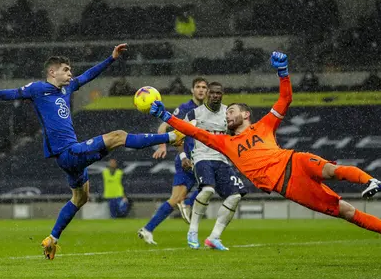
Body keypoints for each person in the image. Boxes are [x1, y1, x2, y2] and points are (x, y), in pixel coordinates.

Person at [150, 51, 381, 242]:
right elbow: (193, 131)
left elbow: (285, 99)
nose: (227, 116)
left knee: (331, 170)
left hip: (295, 160)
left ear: (246, 114)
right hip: (289, 186)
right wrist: (166, 116)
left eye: (231, 112)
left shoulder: (265, 125)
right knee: (347, 211)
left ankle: (370, 181)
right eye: (226, 114)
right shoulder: (226, 143)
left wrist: (283, 73)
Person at [0, 43, 184, 260]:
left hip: (71, 157)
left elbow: (89, 75)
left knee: (80, 198)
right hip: (68, 152)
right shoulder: (37, 89)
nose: (70, 73)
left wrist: (111, 58)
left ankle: (52, 239)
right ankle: (172, 136)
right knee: (118, 136)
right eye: (66, 70)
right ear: (52, 72)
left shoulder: (66, 89)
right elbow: (8, 94)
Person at [138, 77, 208, 245]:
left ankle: (147, 229)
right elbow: (163, 127)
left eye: (204, 87)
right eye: (198, 87)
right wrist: (163, 146)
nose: (201, 90)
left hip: (200, 158)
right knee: (213, 183)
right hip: (187, 160)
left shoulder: (208, 110)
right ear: (192, 90)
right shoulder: (185, 108)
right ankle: (189, 203)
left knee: (175, 199)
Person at [185, 82, 247, 251]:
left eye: (218, 93)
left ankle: (214, 237)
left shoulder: (228, 114)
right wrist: (184, 155)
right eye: (212, 93)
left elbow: (238, 134)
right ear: (207, 94)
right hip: (202, 157)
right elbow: (181, 134)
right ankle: (192, 231)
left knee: (235, 196)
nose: (215, 96)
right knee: (208, 190)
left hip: (221, 160)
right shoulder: (194, 113)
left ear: (222, 94)